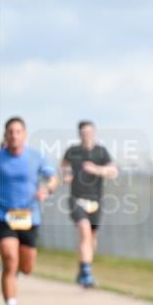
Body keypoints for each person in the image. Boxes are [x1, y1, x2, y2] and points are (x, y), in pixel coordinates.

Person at [0, 117, 58, 305]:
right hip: (4, 216)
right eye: (10, 132)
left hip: (29, 218)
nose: (14, 135)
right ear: (5, 135)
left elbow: (52, 177)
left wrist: (47, 189)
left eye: (18, 131)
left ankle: (13, 271)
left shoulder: (35, 157)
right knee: (8, 255)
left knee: (26, 267)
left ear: (24, 135)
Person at [61, 120, 117, 288]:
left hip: (95, 200)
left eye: (89, 132)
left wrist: (96, 170)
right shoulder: (73, 151)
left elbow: (113, 171)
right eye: (84, 133)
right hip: (76, 199)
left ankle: (83, 269)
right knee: (84, 232)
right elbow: (63, 165)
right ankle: (86, 274)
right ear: (79, 134)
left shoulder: (101, 152)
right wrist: (66, 174)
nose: (87, 135)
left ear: (94, 133)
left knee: (91, 238)